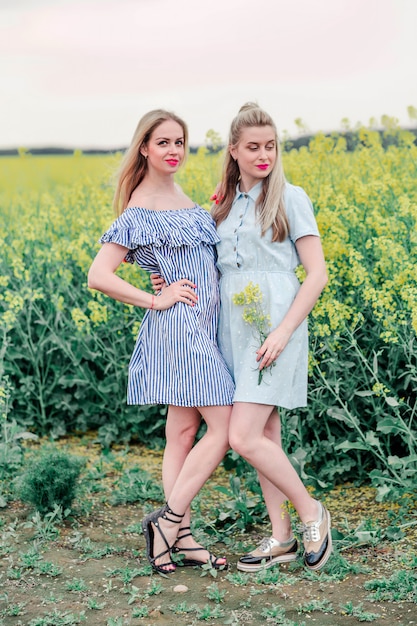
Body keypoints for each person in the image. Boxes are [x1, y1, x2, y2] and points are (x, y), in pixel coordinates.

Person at [87, 109, 235, 574]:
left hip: (205, 326)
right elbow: (98, 275)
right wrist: (156, 299)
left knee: (182, 433)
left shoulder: (184, 198)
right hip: (181, 328)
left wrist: (219, 208)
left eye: (180, 143)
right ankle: (168, 524)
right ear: (145, 148)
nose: (174, 151)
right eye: (164, 143)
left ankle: (184, 538)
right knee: (226, 429)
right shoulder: (139, 207)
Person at [211, 102, 332, 571]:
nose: (264, 155)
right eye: (254, 147)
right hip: (233, 330)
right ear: (234, 150)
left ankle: (310, 511)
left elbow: (317, 274)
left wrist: (283, 331)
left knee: (242, 436)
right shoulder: (225, 203)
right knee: (264, 435)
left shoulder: (290, 197)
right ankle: (280, 538)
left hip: (274, 327)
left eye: (271, 146)